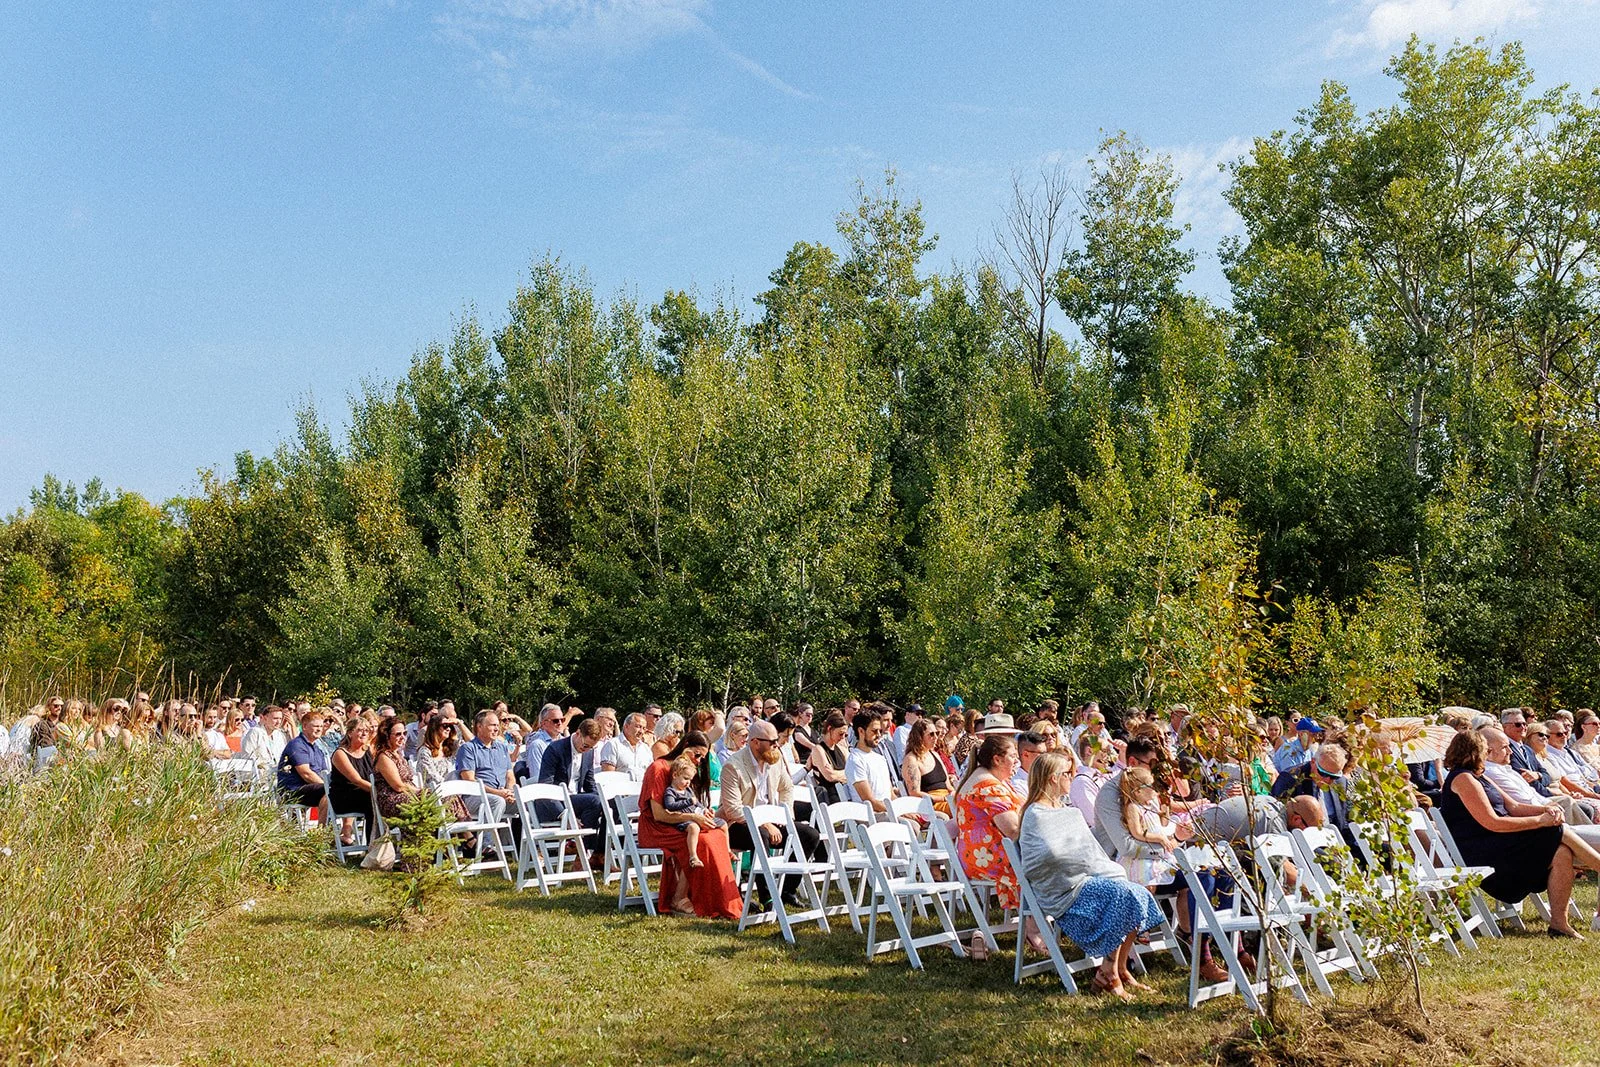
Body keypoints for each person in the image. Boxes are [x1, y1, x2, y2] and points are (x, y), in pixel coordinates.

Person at [1019, 752, 1167, 1001]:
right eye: (1067, 774)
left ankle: (1115, 969)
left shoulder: (1068, 811)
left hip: (1085, 878)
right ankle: (1110, 974)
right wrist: (1084, 865)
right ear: (1054, 779)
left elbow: (1089, 850)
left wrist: (1102, 869)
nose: (1072, 777)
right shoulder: (1035, 814)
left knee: (1136, 892)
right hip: (1062, 888)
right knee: (1124, 895)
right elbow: (1044, 859)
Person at [1438, 729, 1600, 936]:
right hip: (1484, 852)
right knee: (1557, 830)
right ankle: (1598, 865)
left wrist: (1545, 809)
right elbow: (1493, 823)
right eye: (1485, 750)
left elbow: (1513, 806)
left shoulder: (1480, 777)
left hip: (1500, 842)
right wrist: (1540, 821)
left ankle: (1559, 924)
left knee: (1561, 852)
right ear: (1474, 752)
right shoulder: (1463, 779)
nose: (1487, 755)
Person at [637, 731, 741, 919]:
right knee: (702, 841)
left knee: (716, 833)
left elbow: (692, 805)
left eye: (703, 756)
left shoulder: (685, 771)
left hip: (678, 823)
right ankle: (679, 898)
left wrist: (701, 814)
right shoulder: (658, 768)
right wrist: (694, 818)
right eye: (697, 754)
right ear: (684, 746)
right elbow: (659, 814)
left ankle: (722, 898)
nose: (699, 760)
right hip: (656, 827)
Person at [719, 720, 826, 905]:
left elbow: (787, 788)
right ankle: (767, 896)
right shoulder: (733, 766)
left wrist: (783, 817)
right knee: (761, 835)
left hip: (770, 820)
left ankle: (787, 891)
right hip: (736, 825)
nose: (777, 745)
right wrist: (764, 822)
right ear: (755, 742)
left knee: (810, 835)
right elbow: (732, 809)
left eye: (777, 740)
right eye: (772, 741)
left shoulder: (774, 760)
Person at [953, 733, 1041, 956]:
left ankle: (1036, 922)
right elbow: (1012, 829)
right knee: (1042, 865)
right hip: (987, 856)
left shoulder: (988, 780)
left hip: (983, 851)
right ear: (997, 759)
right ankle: (1034, 928)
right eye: (1013, 756)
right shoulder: (988, 786)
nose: (1018, 762)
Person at [536, 717, 604, 862]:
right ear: (578, 733)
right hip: (554, 804)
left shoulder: (588, 752)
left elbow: (589, 784)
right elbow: (545, 787)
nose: (586, 750)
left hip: (575, 801)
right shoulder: (555, 749)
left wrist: (605, 804)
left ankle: (597, 855)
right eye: (585, 746)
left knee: (605, 804)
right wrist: (564, 815)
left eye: (591, 747)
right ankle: (583, 854)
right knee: (594, 801)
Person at [456, 709, 516, 834]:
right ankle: (486, 845)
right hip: (476, 797)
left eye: (497, 725)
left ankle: (523, 848)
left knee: (525, 802)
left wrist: (509, 791)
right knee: (497, 801)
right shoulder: (468, 749)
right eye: (492, 725)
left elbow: (510, 776)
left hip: (502, 794)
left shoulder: (502, 748)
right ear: (479, 726)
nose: (496, 729)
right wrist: (499, 793)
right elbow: (470, 781)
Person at [1117, 767, 1179, 888]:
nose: (1155, 789)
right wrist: (1159, 838)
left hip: (1157, 852)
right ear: (1138, 792)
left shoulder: (1151, 804)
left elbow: (1161, 824)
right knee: (1149, 883)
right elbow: (1137, 833)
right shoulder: (1133, 807)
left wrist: (1165, 809)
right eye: (1151, 786)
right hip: (1143, 856)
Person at [663, 757, 719, 867]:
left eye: (690, 780)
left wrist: (705, 810)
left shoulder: (688, 790)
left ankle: (727, 850)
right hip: (682, 820)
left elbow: (697, 803)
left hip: (695, 817)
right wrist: (688, 802)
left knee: (722, 824)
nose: (688, 783)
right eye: (685, 778)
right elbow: (670, 806)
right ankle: (693, 857)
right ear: (674, 775)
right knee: (694, 828)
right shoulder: (671, 791)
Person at [328, 718, 375, 845]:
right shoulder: (340, 754)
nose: (364, 733)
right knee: (374, 802)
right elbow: (357, 780)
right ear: (350, 733)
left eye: (366, 730)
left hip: (365, 793)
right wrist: (377, 791)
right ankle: (372, 846)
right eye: (360, 730)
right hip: (345, 798)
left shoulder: (369, 751)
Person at [276, 710, 330, 813]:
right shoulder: (297, 745)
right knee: (328, 791)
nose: (319, 729)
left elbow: (324, 773)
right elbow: (306, 774)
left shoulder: (318, 749)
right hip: (292, 790)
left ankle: (337, 827)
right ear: (304, 726)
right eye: (316, 726)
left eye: (321, 726)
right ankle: (322, 828)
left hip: (311, 788)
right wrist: (328, 786)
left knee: (341, 791)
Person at [845, 710, 895, 816]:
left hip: (888, 811)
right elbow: (869, 801)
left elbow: (891, 794)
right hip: (870, 816)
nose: (878, 735)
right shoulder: (855, 760)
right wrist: (897, 812)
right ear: (861, 731)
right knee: (911, 826)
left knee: (937, 817)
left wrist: (904, 811)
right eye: (874, 731)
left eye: (880, 731)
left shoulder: (880, 759)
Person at [372, 717, 420, 822]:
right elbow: (398, 786)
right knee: (428, 798)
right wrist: (419, 791)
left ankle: (456, 833)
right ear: (386, 736)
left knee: (447, 797)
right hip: (393, 799)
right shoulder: (384, 757)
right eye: (398, 734)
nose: (403, 737)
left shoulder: (398, 754)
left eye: (404, 733)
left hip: (408, 794)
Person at [900, 719, 951, 816]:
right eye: (931, 734)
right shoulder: (911, 760)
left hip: (946, 799)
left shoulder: (935, 755)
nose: (936, 737)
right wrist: (943, 798)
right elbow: (914, 793)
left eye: (937, 733)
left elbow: (948, 785)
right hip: (930, 805)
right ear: (919, 738)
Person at [807, 711, 850, 805]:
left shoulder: (842, 749)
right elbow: (830, 777)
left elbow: (851, 772)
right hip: (830, 796)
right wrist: (845, 774)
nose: (843, 738)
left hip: (846, 792)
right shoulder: (818, 750)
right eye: (840, 734)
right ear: (830, 729)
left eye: (845, 735)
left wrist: (837, 774)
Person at [600, 712, 654, 781]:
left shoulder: (646, 749)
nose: (641, 731)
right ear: (626, 726)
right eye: (638, 726)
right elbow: (608, 776)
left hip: (641, 790)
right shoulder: (613, 745)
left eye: (643, 728)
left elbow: (651, 775)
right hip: (619, 790)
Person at [521, 704, 565, 778]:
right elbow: (537, 777)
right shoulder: (537, 745)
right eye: (556, 720)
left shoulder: (565, 742)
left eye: (562, 720)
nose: (560, 723)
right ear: (544, 723)